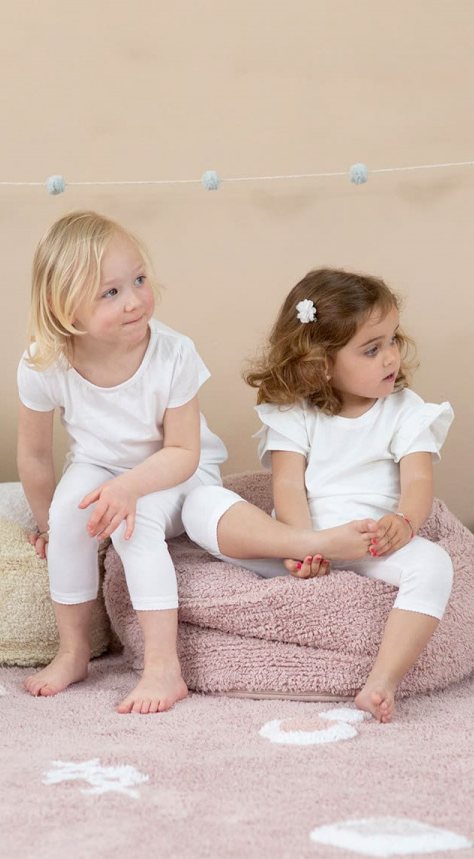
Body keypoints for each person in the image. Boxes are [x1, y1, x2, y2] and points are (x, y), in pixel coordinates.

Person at [182, 268, 454, 722]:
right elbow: (286, 484)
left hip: (368, 544)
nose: (390, 357)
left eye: (393, 340)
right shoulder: (294, 412)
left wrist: (403, 524)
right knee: (197, 502)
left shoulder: (406, 410)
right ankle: (310, 548)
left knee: (436, 564)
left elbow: (419, 483)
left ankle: (381, 681)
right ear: (321, 364)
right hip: (297, 544)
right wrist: (303, 546)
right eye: (372, 349)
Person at [16, 210, 227, 714]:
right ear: (63, 308)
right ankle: (73, 650)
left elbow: (182, 451)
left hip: (178, 474)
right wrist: (49, 524)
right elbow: (35, 455)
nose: (134, 300)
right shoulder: (44, 362)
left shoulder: (174, 353)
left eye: (138, 280)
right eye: (110, 292)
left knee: (134, 526)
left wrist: (130, 491)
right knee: (71, 514)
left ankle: (163, 668)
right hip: (100, 466)